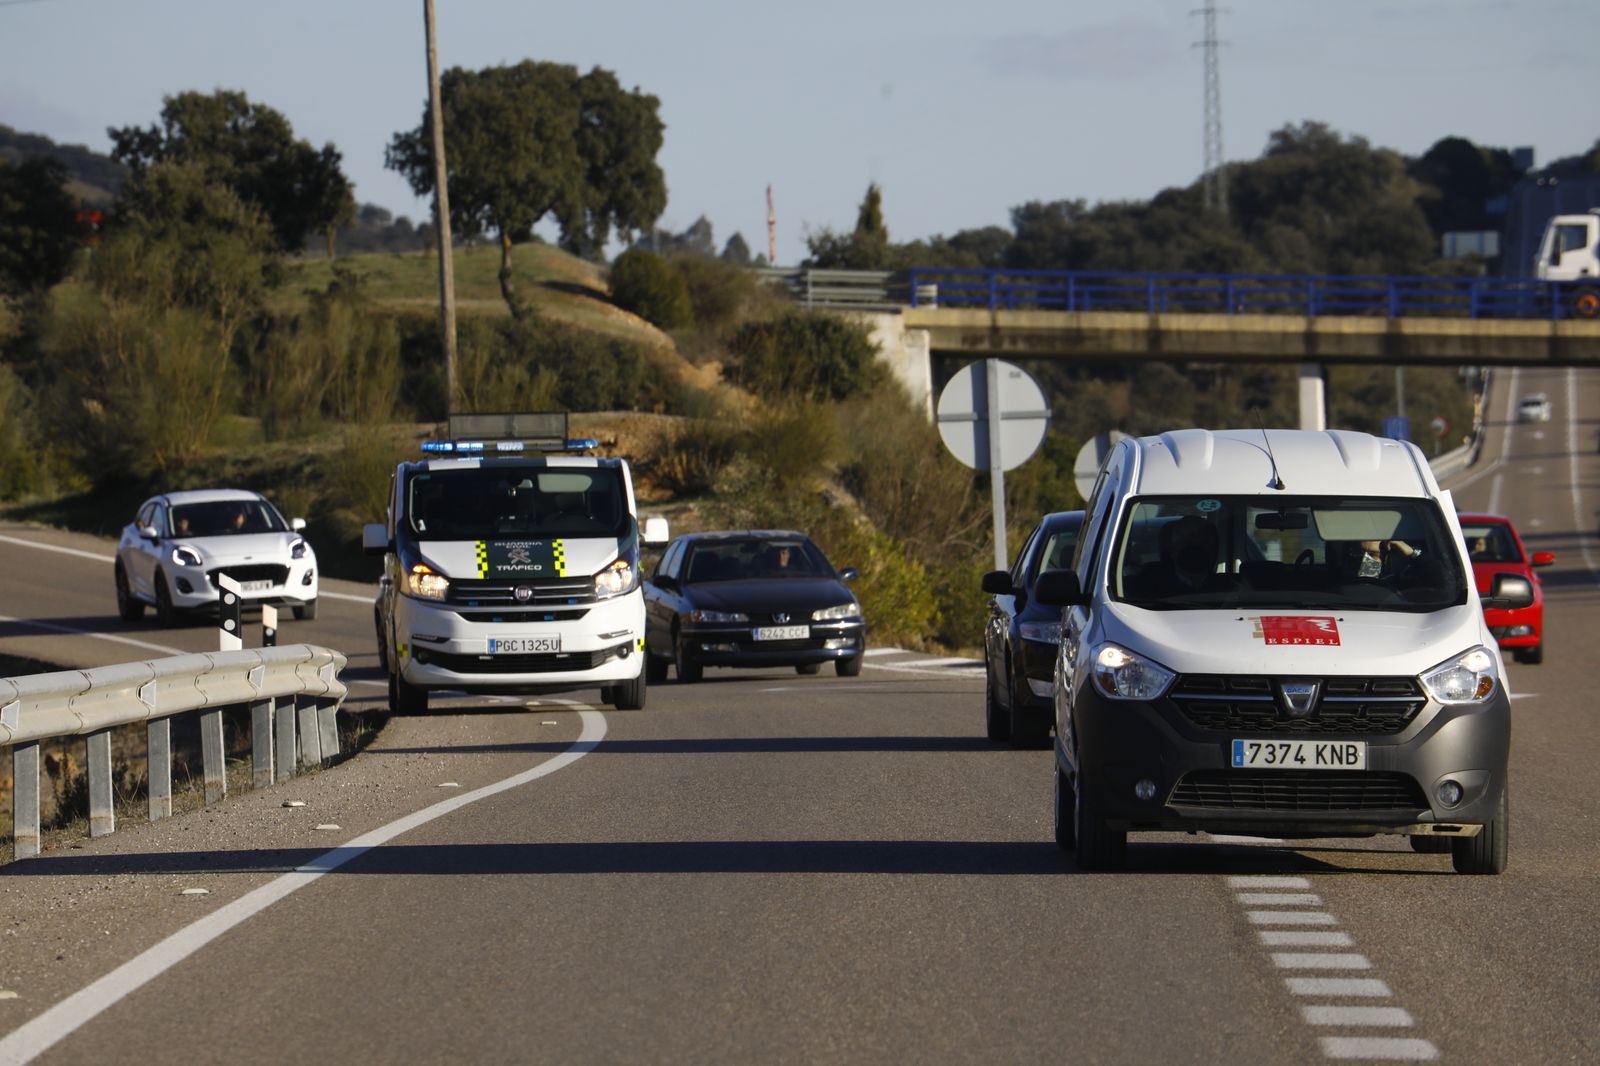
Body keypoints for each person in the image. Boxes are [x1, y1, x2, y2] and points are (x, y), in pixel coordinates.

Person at [1125, 515, 1224, 599]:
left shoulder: (1231, 589)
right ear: (1171, 548)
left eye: (1203, 542)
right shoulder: (1141, 588)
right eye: (1187, 541)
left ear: (1214, 549)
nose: (1194, 549)